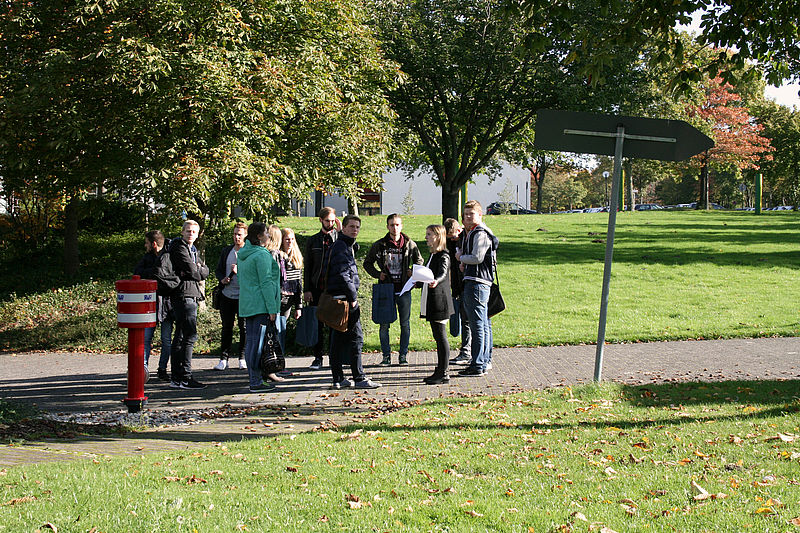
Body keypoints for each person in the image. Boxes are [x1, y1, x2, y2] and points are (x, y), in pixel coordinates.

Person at [325, 215, 381, 389]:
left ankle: (338, 378)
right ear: (344, 228)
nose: (355, 230)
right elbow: (344, 274)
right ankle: (359, 377)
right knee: (356, 338)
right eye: (351, 227)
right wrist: (353, 299)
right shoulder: (341, 247)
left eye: (357, 227)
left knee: (337, 340)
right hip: (345, 301)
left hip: (338, 299)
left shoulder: (343, 245)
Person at [363, 213, 423, 366]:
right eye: (391, 225)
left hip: (404, 290)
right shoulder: (380, 244)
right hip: (386, 290)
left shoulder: (410, 244)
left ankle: (403, 356)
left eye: (397, 224)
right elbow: (367, 263)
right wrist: (378, 274)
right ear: (387, 226)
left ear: (401, 226)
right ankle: (386, 356)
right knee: (384, 324)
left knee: (405, 324)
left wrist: (413, 272)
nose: (394, 228)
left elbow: (419, 260)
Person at [456, 200, 499, 377]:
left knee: (477, 324)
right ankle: (485, 360)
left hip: (477, 282)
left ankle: (478, 364)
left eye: (471, 214)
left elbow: (477, 257)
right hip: (481, 281)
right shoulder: (474, 232)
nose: (467, 217)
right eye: (465, 214)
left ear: (480, 215)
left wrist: (461, 258)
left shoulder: (479, 233)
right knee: (484, 322)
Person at [237, 222, 281, 392]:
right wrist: (272, 308)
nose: (269, 236)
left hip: (248, 303)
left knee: (252, 343)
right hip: (261, 305)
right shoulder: (261, 255)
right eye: (266, 234)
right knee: (257, 344)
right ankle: (255, 381)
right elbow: (266, 282)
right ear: (259, 236)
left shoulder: (243, 254)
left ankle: (255, 378)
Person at [169, 220, 210, 389]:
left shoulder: (192, 250)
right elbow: (195, 271)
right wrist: (197, 270)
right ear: (182, 231)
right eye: (188, 231)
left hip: (190, 293)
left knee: (180, 335)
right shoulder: (179, 247)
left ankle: (177, 377)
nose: (190, 234)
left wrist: (198, 270)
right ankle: (185, 377)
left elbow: (204, 271)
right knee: (189, 336)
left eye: (193, 231)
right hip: (184, 294)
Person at [133, 229, 173, 382]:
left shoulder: (169, 256)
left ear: (154, 244)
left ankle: (162, 369)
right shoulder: (148, 258)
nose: (145, 246)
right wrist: (155, 273)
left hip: (166, 303)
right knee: (146, 338)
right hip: (151, 303)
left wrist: (152, 275)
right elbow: (138, 272)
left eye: (147, 243)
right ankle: (143, 369)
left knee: (166, 339)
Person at [303, 207, 340, 370]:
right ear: (321, 220)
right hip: (317, 288)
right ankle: (317, 357)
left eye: (333, 221)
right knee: (317, 324)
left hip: (333, 288)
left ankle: (334, 357)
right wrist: (307, 289)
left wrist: (341, 234)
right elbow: (308, 267)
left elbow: (353, 250)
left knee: (333, 325)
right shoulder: (313, 241)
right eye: (327, 221)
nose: (330, 224)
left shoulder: (339, 238)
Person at [419, 225, 454, 384]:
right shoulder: (433, 255)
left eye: (429, 234)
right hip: (433, 300)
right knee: (438, 336)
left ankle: (444, 372)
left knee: (441, 337)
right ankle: (440, 370)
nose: (426, 237)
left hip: (440, 301)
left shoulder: (443, 255)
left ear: (438, 237)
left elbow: (442, 273)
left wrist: (436, 281)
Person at [212, 222, 247, 371]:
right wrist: (222, 279)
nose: (236, 237)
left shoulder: (248, 252)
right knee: (227, 327)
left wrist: (241, 271)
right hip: (227, 295)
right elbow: (219, 270)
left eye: (239, 234)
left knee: (243, 328)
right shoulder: (227, 251)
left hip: (243, 296)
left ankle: (242, 358)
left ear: (245, 235)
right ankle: (223, 359)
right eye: (234, 234)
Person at [444, 218, 471, 366]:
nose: (452, 240)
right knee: (457, 324)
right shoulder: (449, 245)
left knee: (466, 321)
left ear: (459, 231)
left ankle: (466, 351)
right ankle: (466, 351)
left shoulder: (464, 242)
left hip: (464, 286)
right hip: (455, 288)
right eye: (449, 238)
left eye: (454, 237)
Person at [278, 227, 304, 354]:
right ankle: (276, 359)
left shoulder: (296, 258)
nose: (290, 242)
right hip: (278, 298)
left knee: (282, 328)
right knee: (277, 330)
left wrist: (299, 306)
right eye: (287, 239)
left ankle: (280, 358)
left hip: (289, 299)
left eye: (292, 239)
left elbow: (299, 284)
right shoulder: (277, 256)